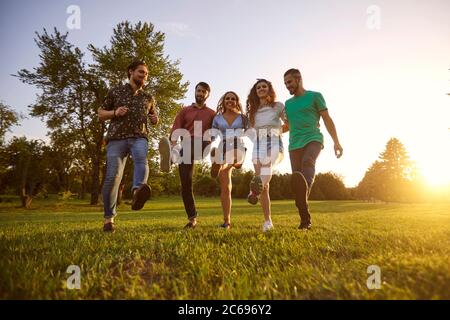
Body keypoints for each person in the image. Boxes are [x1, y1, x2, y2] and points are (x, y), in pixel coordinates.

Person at [98, 60, 158, 232]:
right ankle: (109, 219)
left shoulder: (148, 97)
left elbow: (154, 117)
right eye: (141, 72)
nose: (144, 76)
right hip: (116, 138)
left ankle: (137, 192)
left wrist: (155, 119)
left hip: (140, 136)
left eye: (146, 73)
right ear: (130, 72)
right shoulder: (116, 91)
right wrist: (115, 113)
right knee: (112, 177)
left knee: (141, 158)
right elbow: (100, 113)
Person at [283, 68, 343, 230]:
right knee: (297, 180)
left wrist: (336, 142)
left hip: (313, 139)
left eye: (289, 82)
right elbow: (287, 126)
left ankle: (305, 188)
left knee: (308, 162)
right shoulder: (288, 104)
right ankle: (305, 221)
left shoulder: (315, 96)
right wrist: (267, 132)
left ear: (298, 79)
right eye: (285, 84)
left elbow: (326, 119)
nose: (287, 86)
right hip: (294, 144)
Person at [158, 82, 216, 229]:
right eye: (199, 90)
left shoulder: (211, 113)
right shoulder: (184, 111)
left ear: (207, 95)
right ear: (195, 91)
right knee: (185, 184)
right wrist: (172, 144)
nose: (200, 93)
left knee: (190, 145)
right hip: (185, 150)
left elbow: (215, 131)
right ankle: (192, 219)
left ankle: (173, 157)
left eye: (204, 92)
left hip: (202, 145)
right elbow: (176, 128)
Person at [246, 79, 288, 232]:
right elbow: (250, 130)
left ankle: (253, 192)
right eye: (258, 87)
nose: (261, 89)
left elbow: (288, 123)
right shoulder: (253, 111)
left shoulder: (278, 106)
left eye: (264, 86)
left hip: (275, 141)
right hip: (259, 143)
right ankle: (267, 221)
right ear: (255, 91)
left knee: (267, 165)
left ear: (269, 89)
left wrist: (277, 132)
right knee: (264, 185)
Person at [210, 91, 248, 229]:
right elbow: (213, 136)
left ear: (237, 101)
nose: (230, 100)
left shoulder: (243, 118)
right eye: (227, 98)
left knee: (235, 160)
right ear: (223, 100)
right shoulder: (217, 118)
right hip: (223, 146)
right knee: (226, 188)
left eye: (233, 98)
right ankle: (226, 222)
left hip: (239, 146)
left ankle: (220, 164)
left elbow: (251, 132)